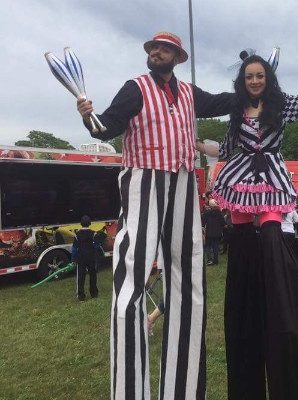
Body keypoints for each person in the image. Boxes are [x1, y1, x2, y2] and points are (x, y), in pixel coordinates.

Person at [77, 32, 235, 400]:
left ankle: (184, 388)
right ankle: (130, 391)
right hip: (143, 179)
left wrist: (252, 88)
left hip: (182, 181)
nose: (156, 52)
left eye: (164, 49)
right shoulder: (135, 88)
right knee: (132, 273)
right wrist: (89, 119)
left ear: (177, 57)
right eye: (153, 48)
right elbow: (108, 127)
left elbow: (223, 101)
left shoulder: (190, 93)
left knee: (189, 273)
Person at [197, 42, 298, 400]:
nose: (254, 81)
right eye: (249, 76)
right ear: (243, 80)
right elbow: (224, 149)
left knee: (271, 231)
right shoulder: (236, 111)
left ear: (268, 79)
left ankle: (277, 298)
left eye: (260, 75)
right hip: (240, 178)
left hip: (270, 176)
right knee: (240, 241)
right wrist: (193, 145)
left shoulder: (281, 106)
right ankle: (246, 301)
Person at [72, 215, 98, 301]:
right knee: (93, 276)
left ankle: (81, 296)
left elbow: (74, 248)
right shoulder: (94, 233)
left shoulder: (77, 235)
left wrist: (74, 259)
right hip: (91, 257)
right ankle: (94, 294)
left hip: (81, 258)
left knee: (81, 277)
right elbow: (96, 246)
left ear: (81, 224)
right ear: (90, 223)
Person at [201, 199, 226, 265]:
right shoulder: (219, 213)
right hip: (217, 233)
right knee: (215, 247)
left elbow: (203, 223)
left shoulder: (207, 213)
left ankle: (209, 260)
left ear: (210, 205)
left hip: (209, 233)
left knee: (208, 246)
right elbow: (223, 223)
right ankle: (215, 261)